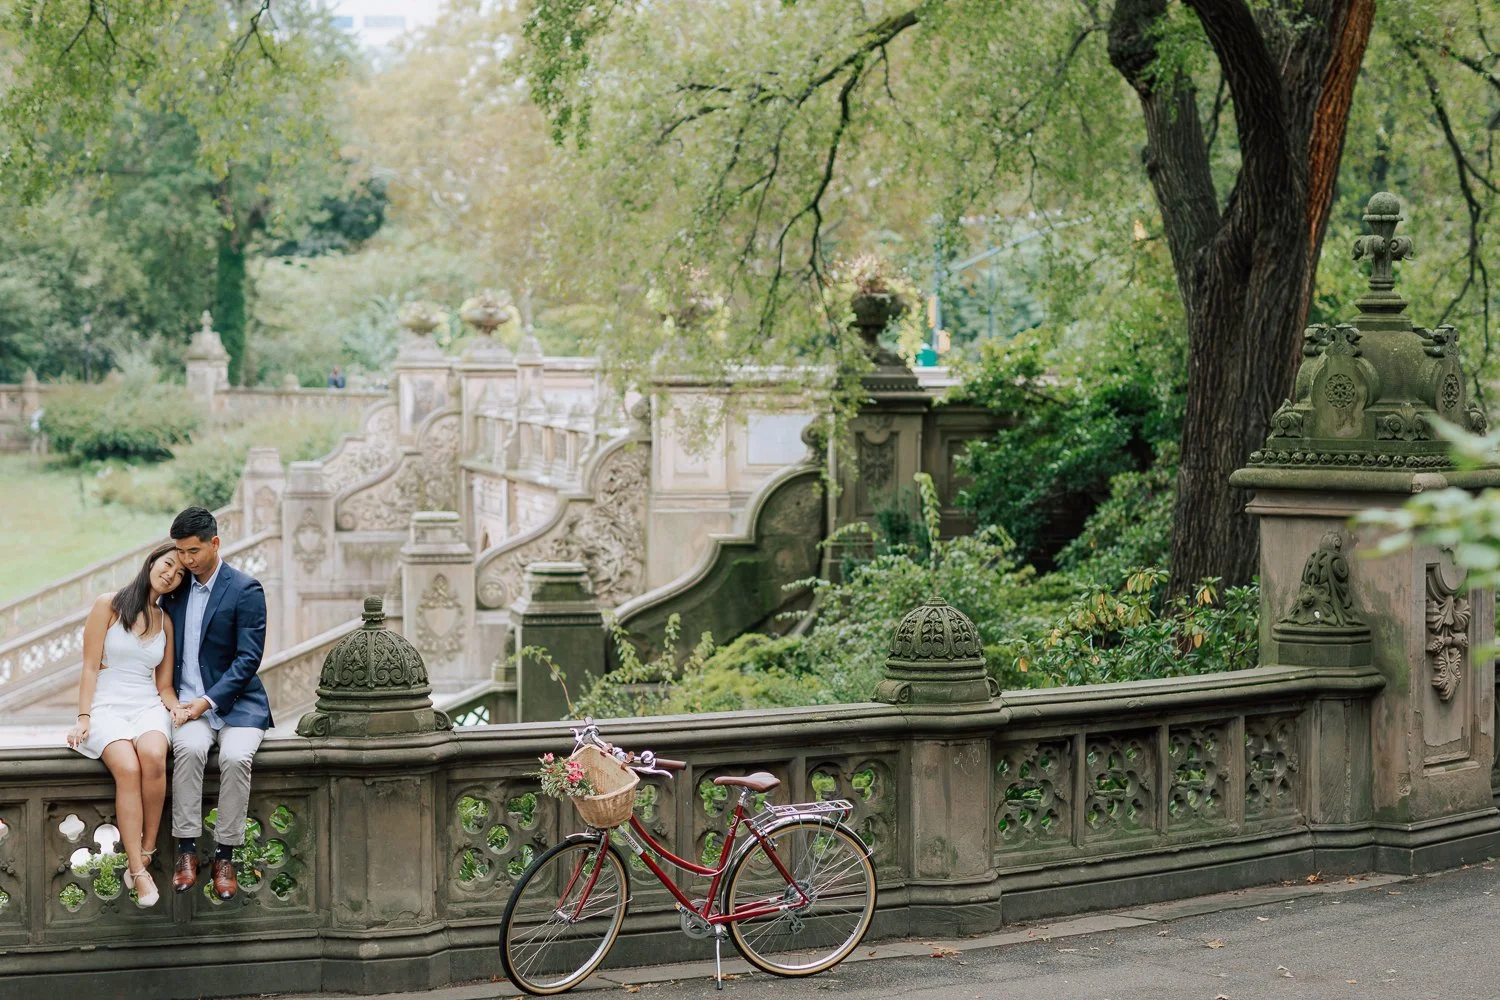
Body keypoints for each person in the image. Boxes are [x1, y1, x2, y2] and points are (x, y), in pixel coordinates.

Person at [66, 542, 189, 908]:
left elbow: (164, 685)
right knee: (128, 766)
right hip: (106, 704)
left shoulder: (165, 620)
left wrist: (177, 708)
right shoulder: (109, 604)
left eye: (180, 574)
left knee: (153, 754)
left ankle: (147, 848)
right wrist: (84, 716)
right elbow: (89, 666)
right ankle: (137, 870)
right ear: (152, 562)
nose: (171, 574)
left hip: (146, 703)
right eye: (168, 565)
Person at [163, 506, 273, 900]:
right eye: (181, 552)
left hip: (238, 705)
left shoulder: (245, 589)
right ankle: (187, 852)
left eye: (194, 551)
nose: (187, 560)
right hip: (187, 706)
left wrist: (207, 702)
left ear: (214, 543)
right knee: (189, 750)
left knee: (235, 759)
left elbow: (248, 659)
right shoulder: (174, 591)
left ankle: (225, 856)